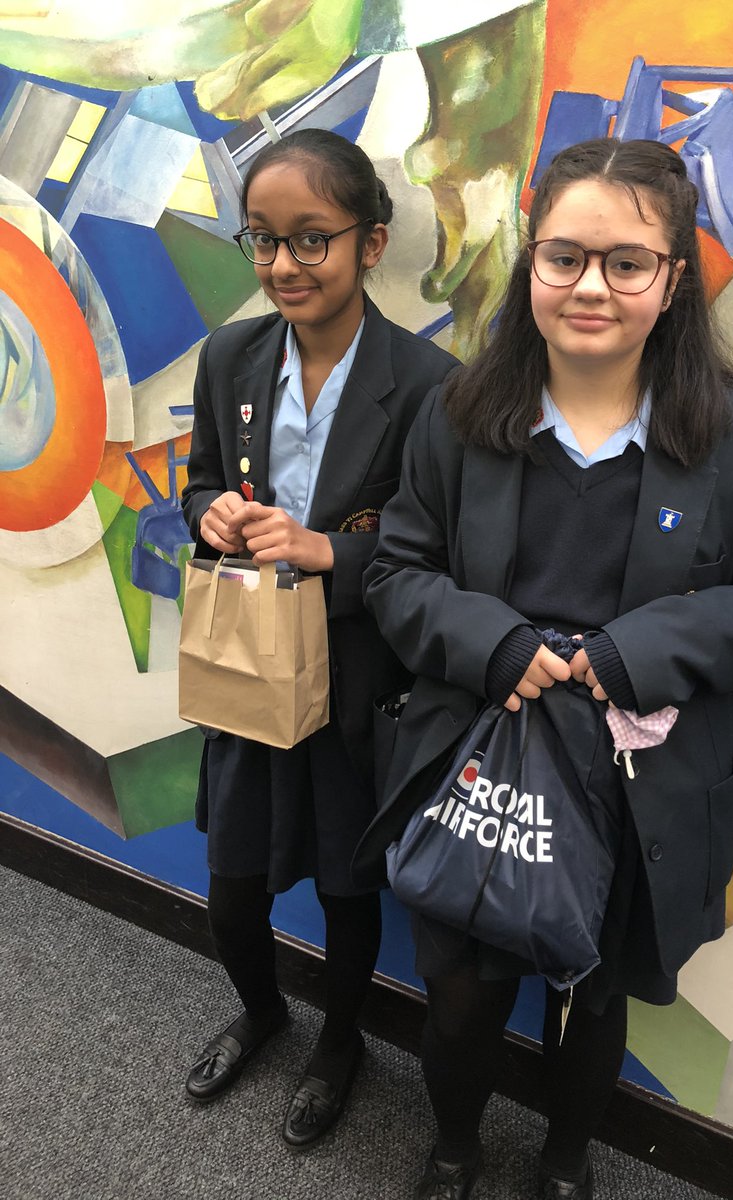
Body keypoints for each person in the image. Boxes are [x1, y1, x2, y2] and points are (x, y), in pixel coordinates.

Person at [355, 137, 733, 1199]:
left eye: (628, 262)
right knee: (465, 997)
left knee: (595, 1002)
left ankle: (567, 1160)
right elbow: (396, 573)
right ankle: (452, 1149)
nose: (590, 287)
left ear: (672, 283)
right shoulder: (458, 417)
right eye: (563, 255)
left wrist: (631, 655)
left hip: (638, 795)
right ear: (531, 265)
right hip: (480, 770)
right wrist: (500, 646)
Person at [180, 128, 458, 1148]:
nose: (283, 266)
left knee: (347, 887)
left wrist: (326, 551)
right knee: (232, 885)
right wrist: (209, 511)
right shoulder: (231, 355)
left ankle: (342, 1040)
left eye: (311, 240)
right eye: (262, 241)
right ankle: (262, 1014)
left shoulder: (431, 384)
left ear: (371, 243)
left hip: (356, 682)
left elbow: (442, 556)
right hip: (249, 670)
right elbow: (202, 478)